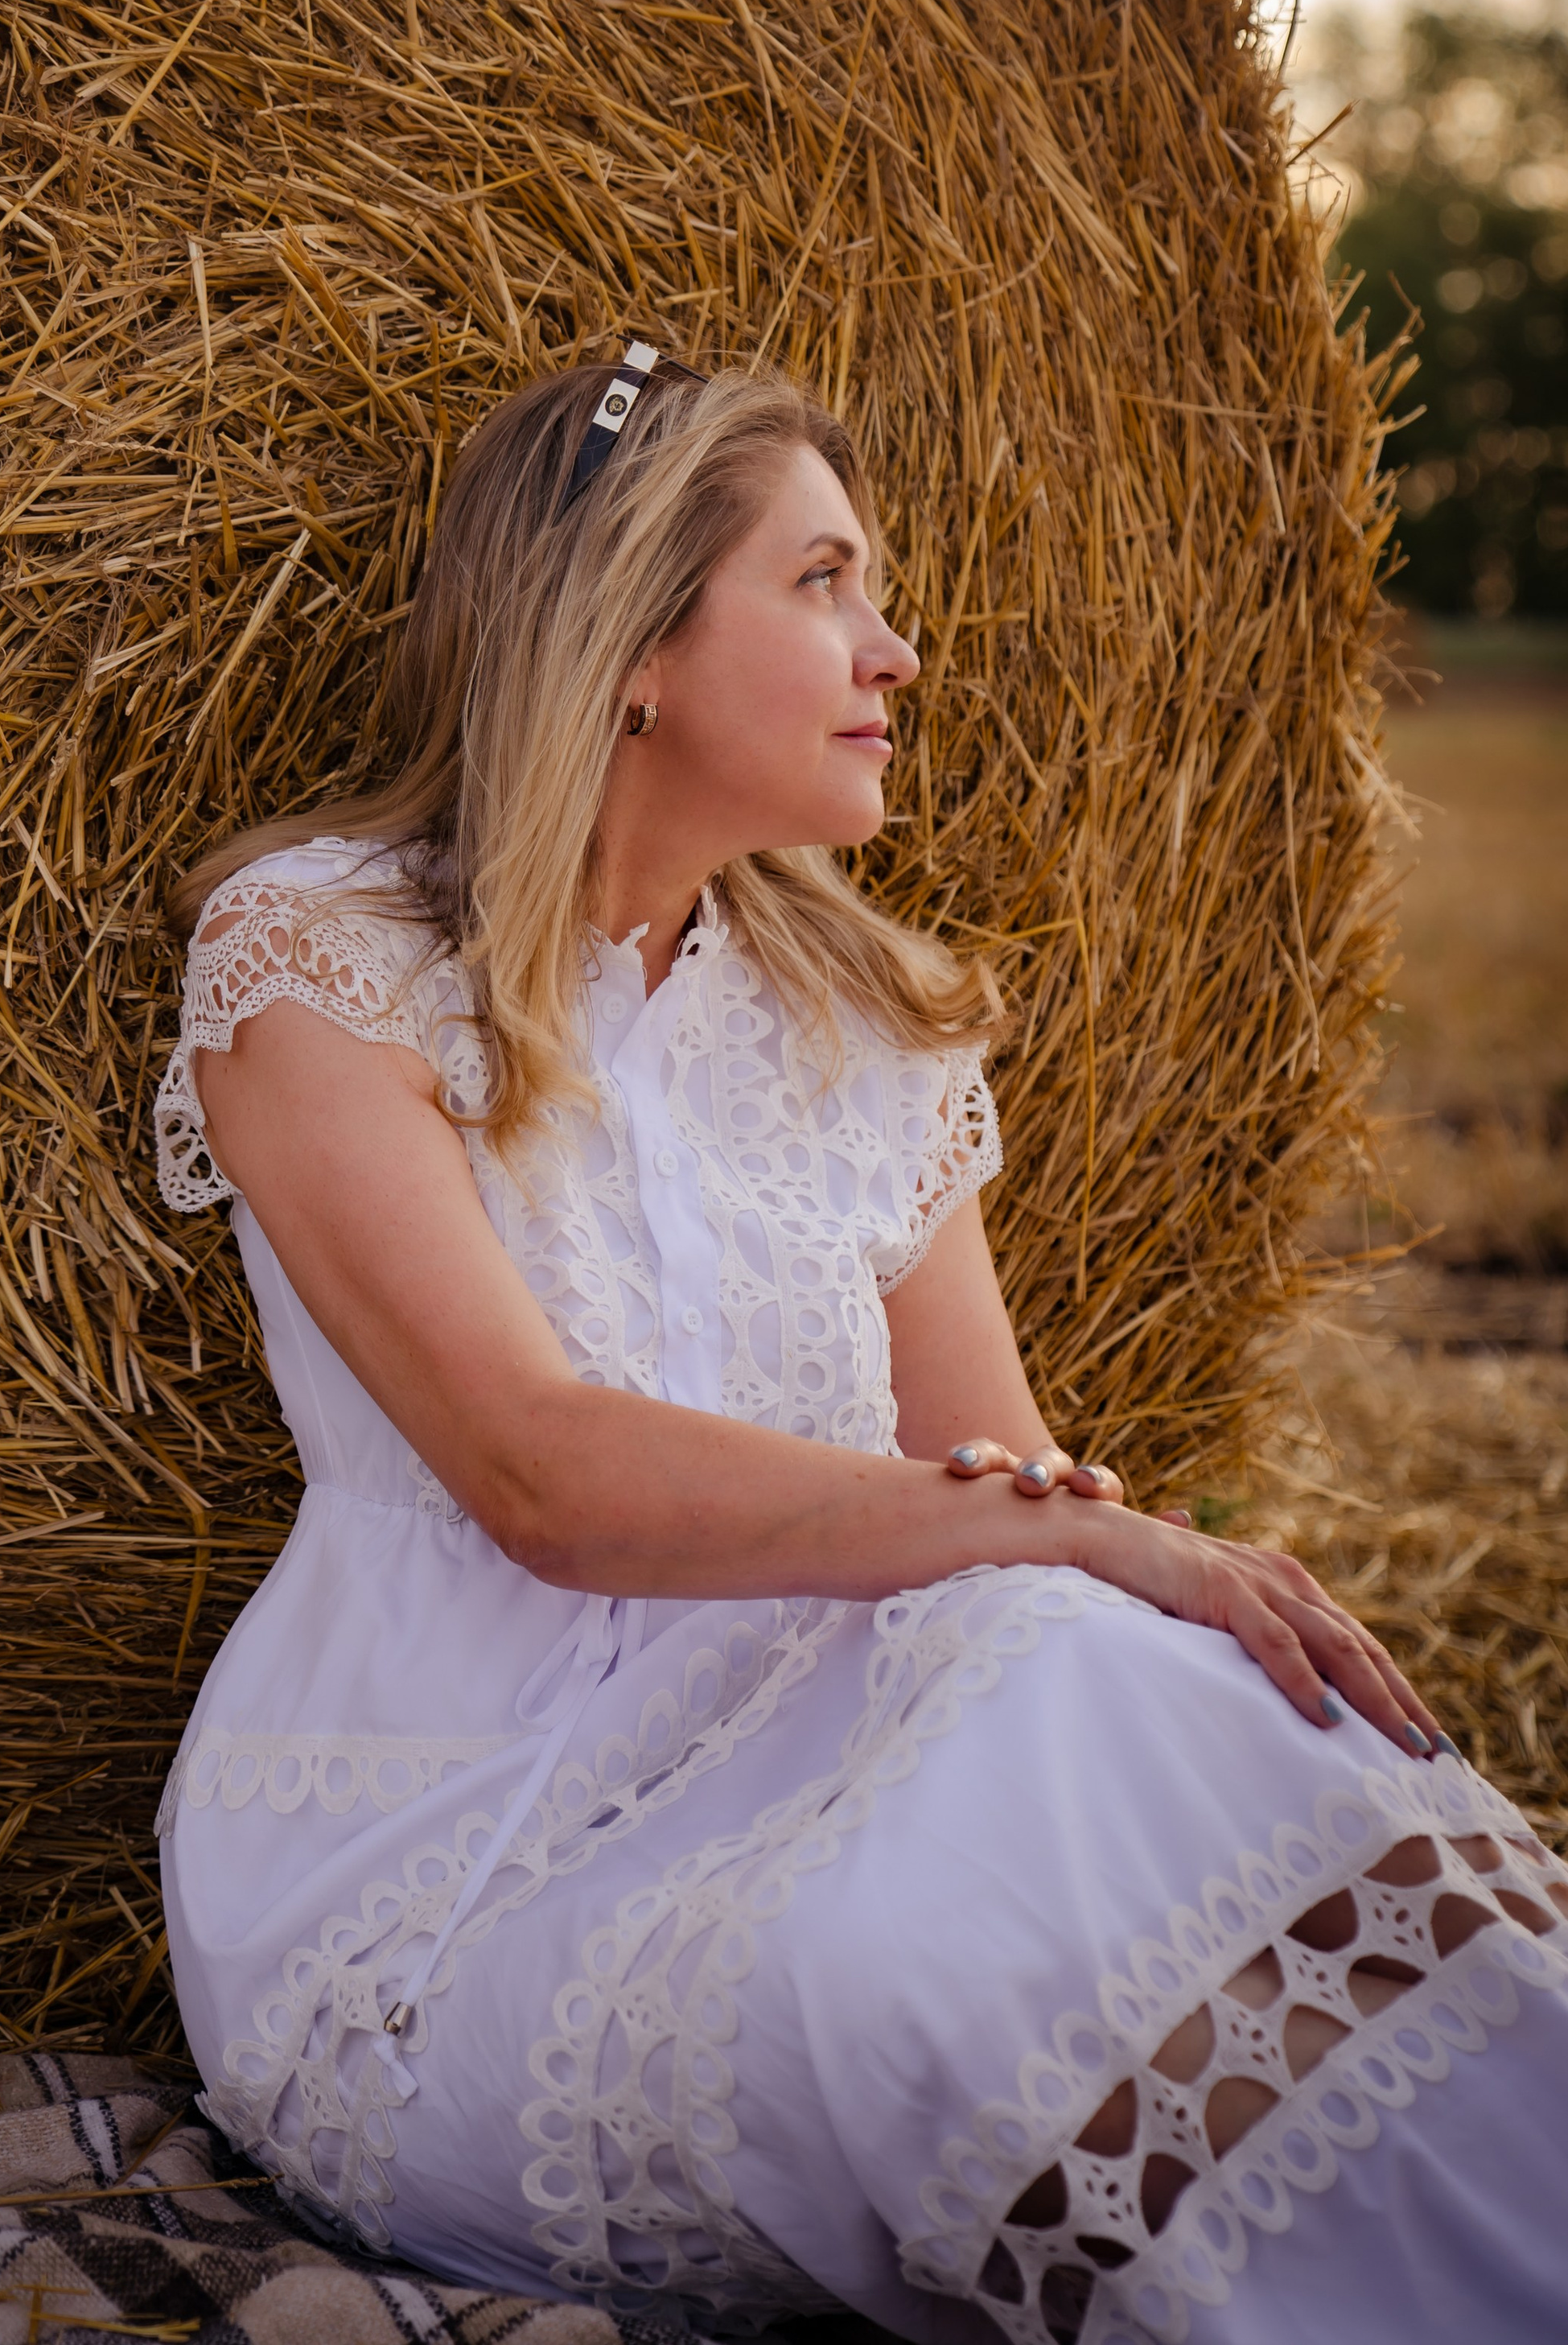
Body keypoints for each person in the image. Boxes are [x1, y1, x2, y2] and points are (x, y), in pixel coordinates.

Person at [151, 352, 1568, 2345]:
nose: (893, 649)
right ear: (628, 638)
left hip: (822, 1781)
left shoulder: (867, 1030)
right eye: (822, 581)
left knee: (1109, 1675)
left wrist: (1126, 1565)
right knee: (938, 1912)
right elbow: (535, 1469)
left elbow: (995, 1498)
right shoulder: (328, 960)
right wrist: (1080, 1540)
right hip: (443, 1886)